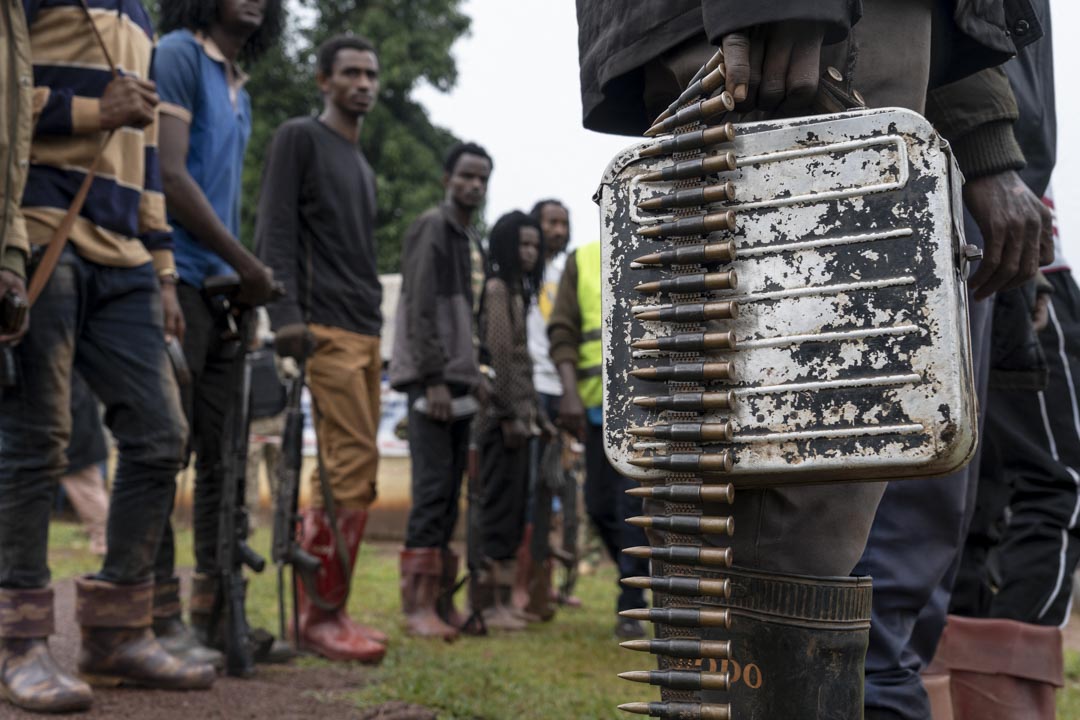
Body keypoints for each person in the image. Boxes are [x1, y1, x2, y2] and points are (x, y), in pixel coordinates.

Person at [575, 0, 1050, 714]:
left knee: (790, 506)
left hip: (837, 24)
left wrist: (982, 131)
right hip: (799, 27)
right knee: (780, 503)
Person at [1, 0, 218, 712]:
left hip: (125, 250)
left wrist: (161, 266)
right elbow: (7, 98)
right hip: (42, 226)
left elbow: (147, 148)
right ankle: (18, 642)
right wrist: (97, 112)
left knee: (160, 436)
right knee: (39, 440)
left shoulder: (141, 14)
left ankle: (118, 632)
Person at [151, 0, 283, 669]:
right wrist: (248, 263)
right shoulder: (177, 54)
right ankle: (153, 615)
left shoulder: (239, 87)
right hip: (172, 278)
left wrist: (243, 280)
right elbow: (169, 178)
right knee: (161, 452)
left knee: (221, 462)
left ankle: (211, 614)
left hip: (221, 295)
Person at [256, 34, 387, 664]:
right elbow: (274, 227)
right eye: (351, 73)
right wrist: (283, 315)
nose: (363, 82)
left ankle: (328, 608)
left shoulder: (361, 162)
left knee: (352, 470)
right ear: (324, 81)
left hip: (365, 328)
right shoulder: (299, 137)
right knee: (348, 462)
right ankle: (321, 616)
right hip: (322, 328)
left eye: (371, 73)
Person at [390, 142, 493, 641]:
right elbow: (421, 306)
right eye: (466, 176)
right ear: (447, 179)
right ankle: (415, 609)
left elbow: (468, 320)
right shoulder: (432, 228)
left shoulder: (470, 239)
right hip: (431, 381)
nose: (474, 185)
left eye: (482, 178)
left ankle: (439, 602)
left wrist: (476, 374)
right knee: (431, 490)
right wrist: (431, 378)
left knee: (452, 493)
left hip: (459, 380)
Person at [548, 240, 650, 639]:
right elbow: (563, 330)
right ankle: (641, 581)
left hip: (648, 406)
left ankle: (630, 603)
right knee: (598, 506)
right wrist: (569, 392)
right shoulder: (584, 258)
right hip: (596, 411)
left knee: (633, 507)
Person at [470, 210, 544, 631]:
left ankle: (501, 601)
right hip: (502, 420)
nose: (531, 252)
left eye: (535, 245)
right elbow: (499, 353)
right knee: (498, 509)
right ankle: (490, 604)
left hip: (519, 417)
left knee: (514, 509)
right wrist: (512, 414)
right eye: (523, 244)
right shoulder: (498, 289)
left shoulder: (518, 291)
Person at [512, 199, 579, 618]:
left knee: (556, 488)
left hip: (563, 390)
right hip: (532, 385)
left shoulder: (564, 276)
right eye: (550, 222)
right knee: (529, 487)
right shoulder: (522, 276)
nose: (557, 230)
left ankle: (545, 584)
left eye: (563, 223)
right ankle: (523, 585)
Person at [61, 373, 111, 557]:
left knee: (88, 492)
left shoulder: (67, 374)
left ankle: (106, 544)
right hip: (76, 436)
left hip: (75, 440)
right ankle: (105, 542)